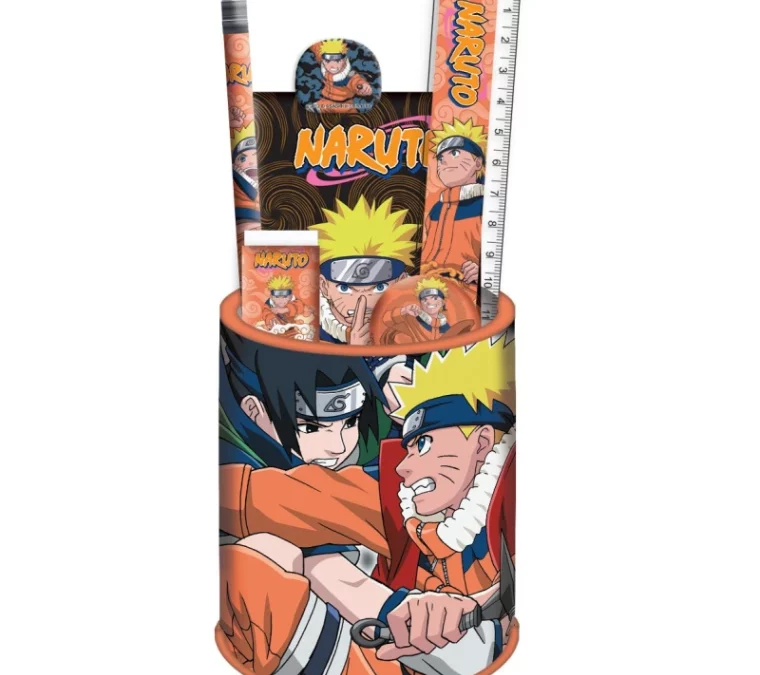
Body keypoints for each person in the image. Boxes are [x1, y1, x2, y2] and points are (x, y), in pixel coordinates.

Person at [218, 336, 518, 675]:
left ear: (481, 443)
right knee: (264, 557)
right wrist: (393, 608)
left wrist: (473, 610)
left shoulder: (510, 495)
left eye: (424, 444)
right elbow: (267, 499)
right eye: (409, 447)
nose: (404, 466)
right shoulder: (398, 494)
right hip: (385, 655)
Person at [310, 197, 417, 345]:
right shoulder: (306, 328)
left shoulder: (415, 323)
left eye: (380, 287)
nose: (362, 301)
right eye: (345, 288)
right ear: (324, 286)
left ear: (401, 283)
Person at [421, 119, 487, 291]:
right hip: (427, 290)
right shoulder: (435, 210)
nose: (443, 162)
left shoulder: (485, 207)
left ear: (477, 163)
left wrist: (483, 272)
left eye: (455, 153)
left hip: (466, 292)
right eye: (440, 158)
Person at [310, 39, 373, 113]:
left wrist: (364, 88)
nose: (332, 66)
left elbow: (356, 81)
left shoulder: (348, 75)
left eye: (337, 61)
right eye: (327, 61)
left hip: (344, 106)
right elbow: (317, 48)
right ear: (323, 60)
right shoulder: (323, 63)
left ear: (344, 60)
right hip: (324, 102)